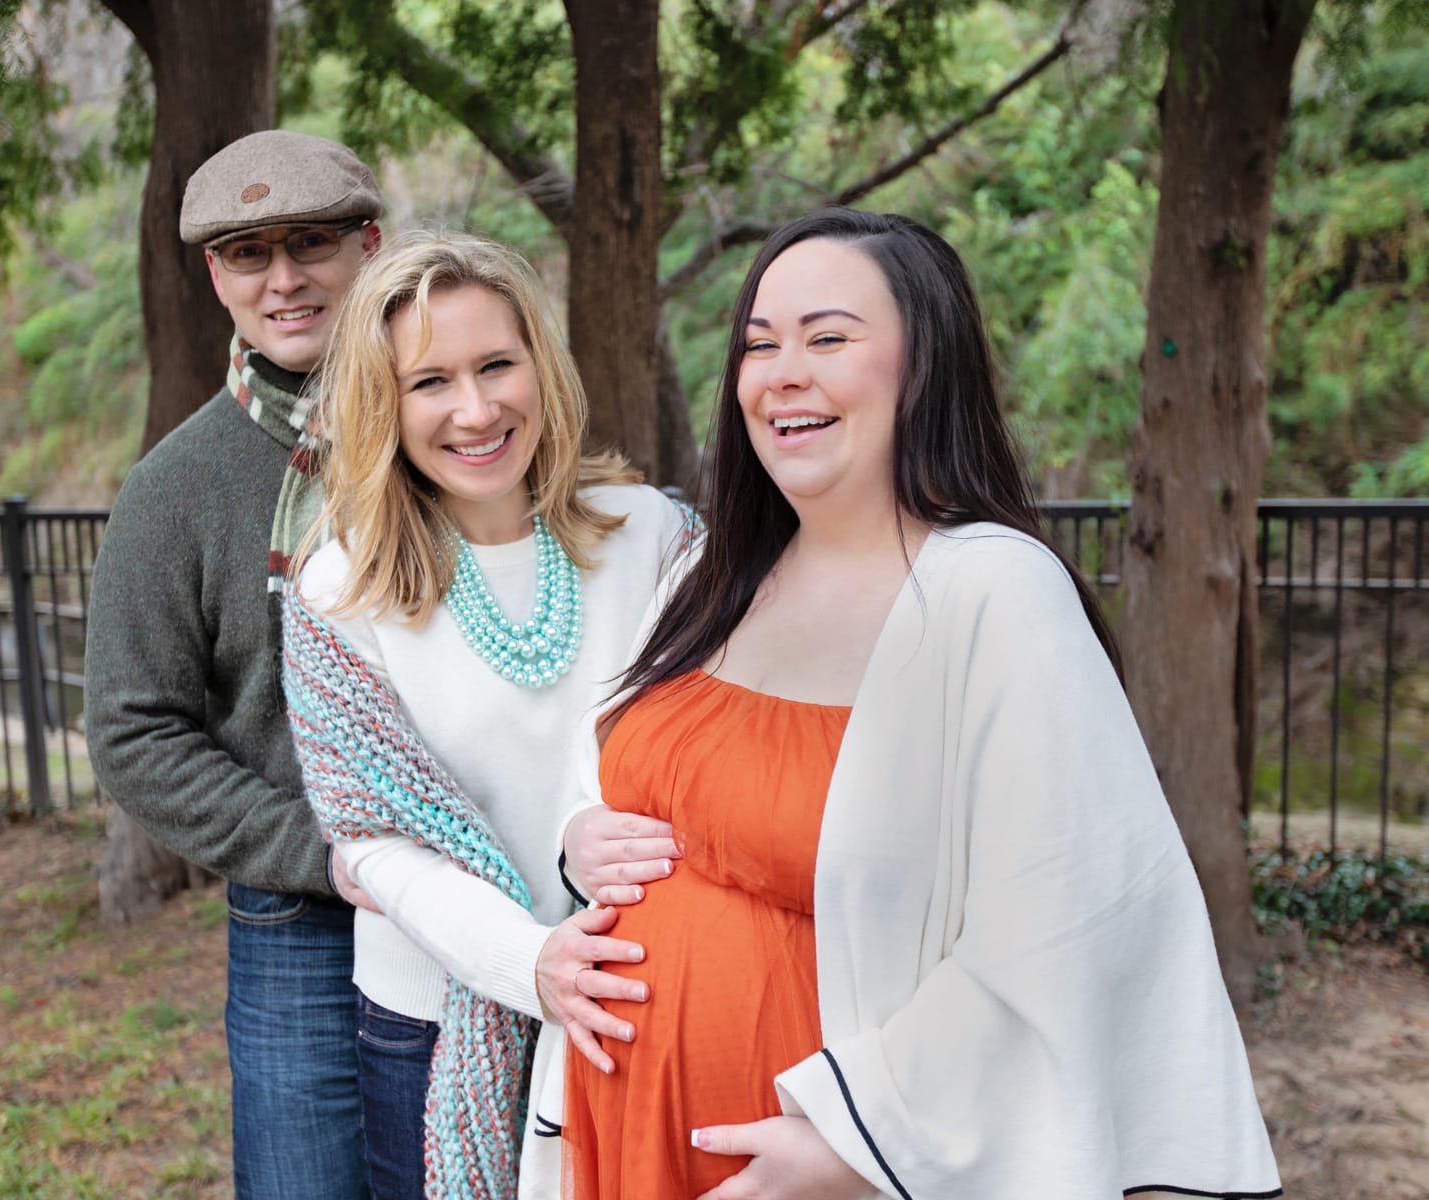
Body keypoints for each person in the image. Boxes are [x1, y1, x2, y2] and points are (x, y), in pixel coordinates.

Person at [549, 207, 1282, 1200]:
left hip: (831, 1167)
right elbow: (610, 774)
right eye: (759, 345)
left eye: (829, 339)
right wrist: (579, 840)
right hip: (624, 1129)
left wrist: (861, 1144)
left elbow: (1065, 928)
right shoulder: (711, 572)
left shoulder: (991, 592)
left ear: (923, 366)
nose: (782, 372)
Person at [280, 228, 692, 1200]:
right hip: (429, 1026)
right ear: (384, 404)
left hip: (636, 992)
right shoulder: (340, 590)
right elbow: (376, 842)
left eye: (497, 364)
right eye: (430, 382)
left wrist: (577, 846)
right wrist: (532, 960)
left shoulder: (654, 535)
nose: (474, 409)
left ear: (540, 368)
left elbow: (694, 745)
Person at [85, 130, 385, 1200]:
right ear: (216, 276)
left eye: (311, 243)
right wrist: (323, 853)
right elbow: (132, 730)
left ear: (371, 245)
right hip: (301, 916)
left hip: (498, 887)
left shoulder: (461, 431)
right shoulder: (175, 488)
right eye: (248, 254)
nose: (285, 279)